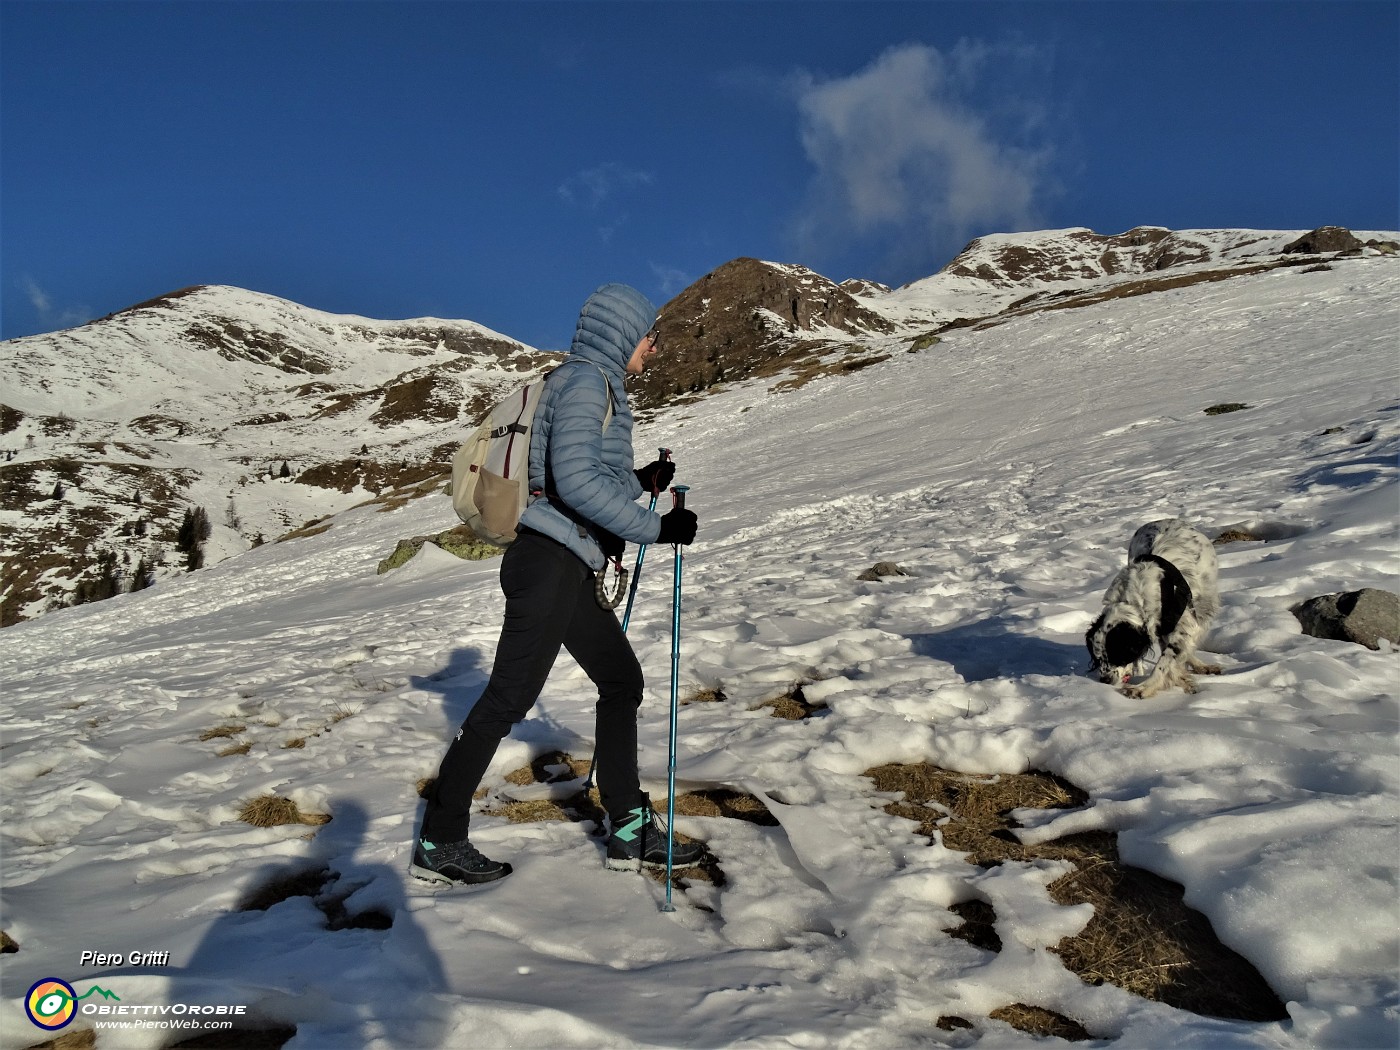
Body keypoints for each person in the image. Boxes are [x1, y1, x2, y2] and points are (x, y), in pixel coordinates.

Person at [412, 283, 702, 886]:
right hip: (547, 565)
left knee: (621, 681)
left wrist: (640, 479)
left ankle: (627, 825)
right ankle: (440, 839)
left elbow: (579, 476)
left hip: (565, 562)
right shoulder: (585, 384)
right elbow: (572, 484)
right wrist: (658, 528)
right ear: (623, 332)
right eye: (648, 334)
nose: (653, 345)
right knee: (508, 700)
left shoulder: (588, 384)